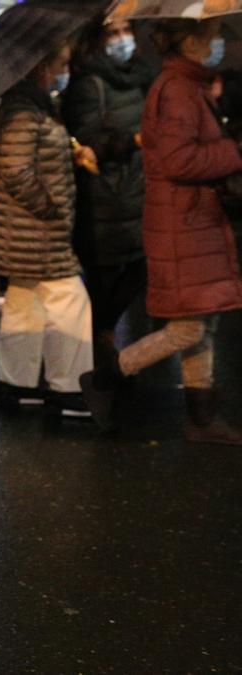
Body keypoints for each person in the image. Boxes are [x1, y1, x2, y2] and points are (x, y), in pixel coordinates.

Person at [82, 18, 242, 445]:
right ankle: (103, 379)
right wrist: (232, 151)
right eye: (212, 37)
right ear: (190, 42)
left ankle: (202, 420)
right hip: (182, 221)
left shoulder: (188, 85)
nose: (219, 44)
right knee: (188, 327)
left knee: (200, 323)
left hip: (192, 219)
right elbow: (178, 161)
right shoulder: (176, 89)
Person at [0, 42, 96, 416]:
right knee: (70, 300)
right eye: (60, 63)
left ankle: (17, 386)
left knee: (24, 303)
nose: (65, 70)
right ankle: (70, 388)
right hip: (36, 233)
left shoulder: (30, 105)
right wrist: (51, 209)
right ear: (40, 66)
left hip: (26, 234)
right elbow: (16, 171)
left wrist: (70, 153)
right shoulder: (23, 110)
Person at [63, 17, 153, 368]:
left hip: (140, 190)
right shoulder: (89, 84)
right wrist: (129, 142)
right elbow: (85, 139)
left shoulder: (143, 77)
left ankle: (101, 338)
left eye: (126, 30)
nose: (122, 39)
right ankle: (97, 355)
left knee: (142, 265)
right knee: (103, 279)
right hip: (104, 195)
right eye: (113, 33)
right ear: (97, 40)